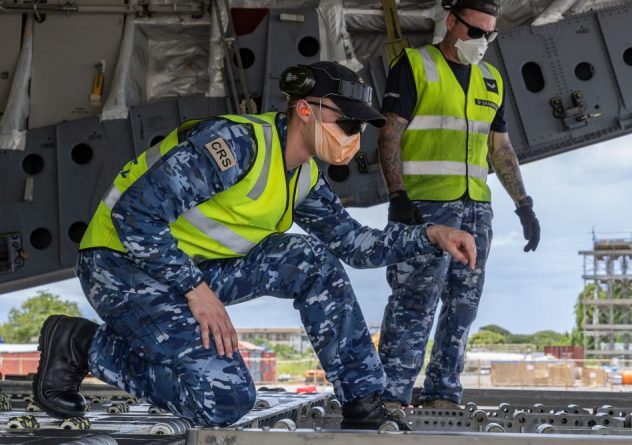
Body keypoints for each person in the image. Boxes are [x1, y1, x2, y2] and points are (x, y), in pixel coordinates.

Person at [32, 61, 477, 429]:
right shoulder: (237, 145)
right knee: (223, 399)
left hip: (184, 270)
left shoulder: (303, 177)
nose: (353, 134)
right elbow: (136, 215)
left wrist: (429, 234)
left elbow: (354, 244)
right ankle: (82, 345)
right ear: (305, 109)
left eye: (359, 126)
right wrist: (196, 290)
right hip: (120, 264)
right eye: (346, 121)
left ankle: (362, 402)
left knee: (310, 259)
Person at [377, 0, 541, 409]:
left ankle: (442, 395)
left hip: (475, 209)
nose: (481, 41)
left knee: (462, 307)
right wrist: (397, 196)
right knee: (413, 302)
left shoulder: (491, 79)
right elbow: (389, 135)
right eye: (474, 32)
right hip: (424, 208)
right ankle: (390, 396)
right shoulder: (415, 65)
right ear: (451, 23)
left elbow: (499, 147)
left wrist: (523, 204)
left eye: (490, 34)